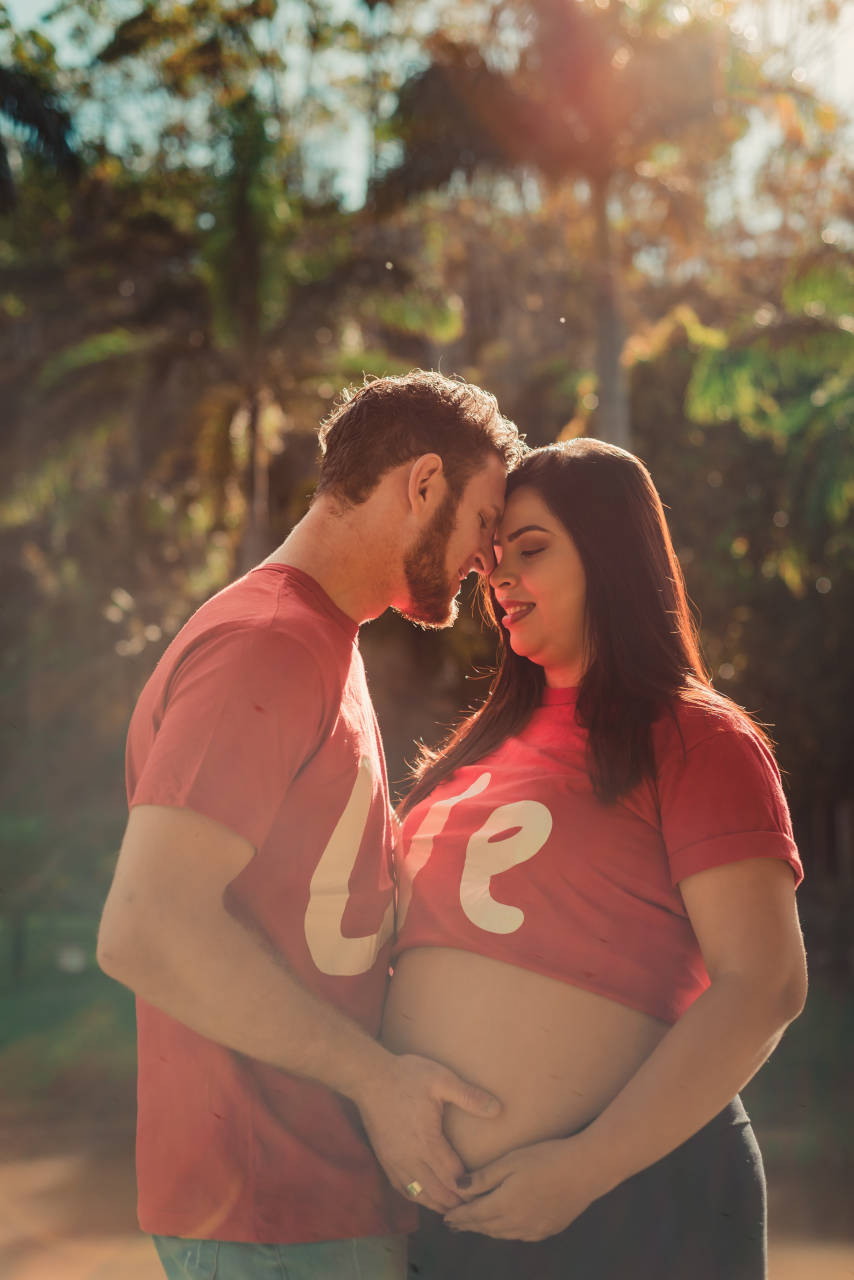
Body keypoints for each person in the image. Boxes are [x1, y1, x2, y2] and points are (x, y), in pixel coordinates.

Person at [96, 370, 524, 1280]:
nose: (489, 560)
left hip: (316, 1208)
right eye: (486, 522)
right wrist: (378, 1081)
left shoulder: (328, 640)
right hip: (268, 1213)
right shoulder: (268, 643)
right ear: (422, 486)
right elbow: (145, 927)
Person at [384, 438, 807, 1280]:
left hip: (635, 1210)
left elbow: (764, 984)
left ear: (611, 556)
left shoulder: (696, 736)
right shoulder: (473, 752)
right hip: (449, 1230)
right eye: (495, 558)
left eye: (532, 551)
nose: (499, 577)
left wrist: (585, 1168)